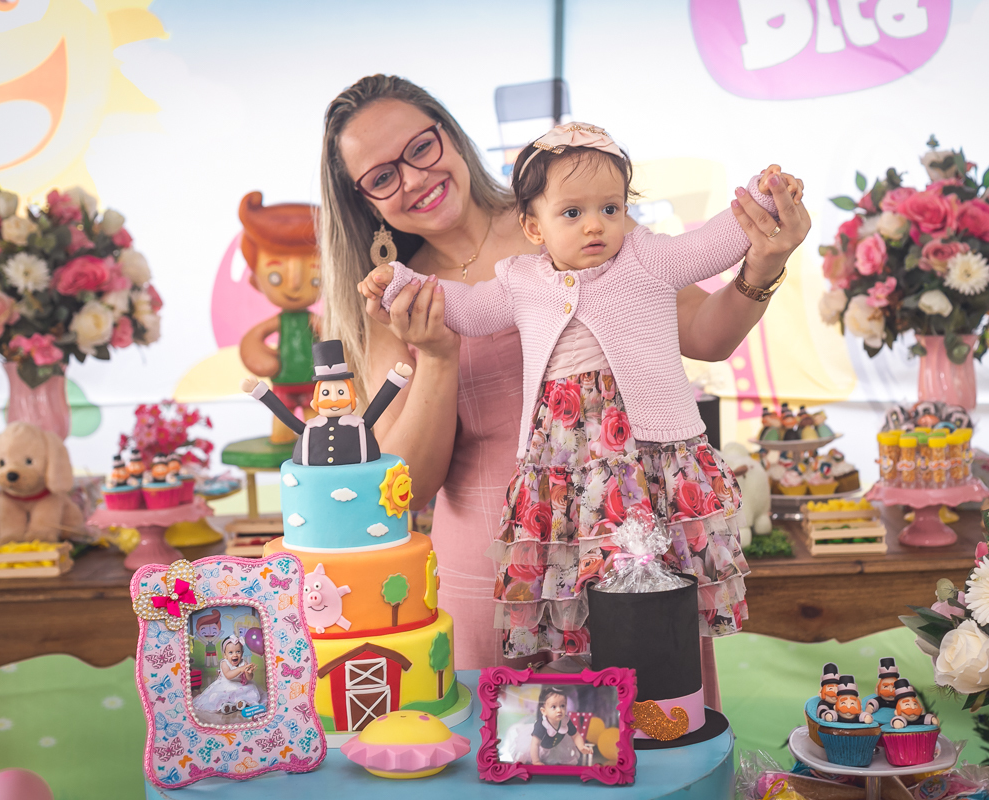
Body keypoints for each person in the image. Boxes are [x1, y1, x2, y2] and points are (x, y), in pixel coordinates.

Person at [317, 76, 810, 691]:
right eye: (382, 176)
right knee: (518, 754)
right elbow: (409, 485)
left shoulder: (578, 218)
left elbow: (705, 335)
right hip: (497, 566)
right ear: (364, 200)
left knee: (657, 723)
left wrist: (762, 261)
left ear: (450, 134)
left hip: (630, 528)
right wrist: (439, 357)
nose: (413, 177)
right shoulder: (401, 295)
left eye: (420, 147)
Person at [241, 339, 412, 466]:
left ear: (354, 400)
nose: (334, 399)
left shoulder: (359, 426)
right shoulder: (310, 429)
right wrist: (259, 391)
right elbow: (284, 414)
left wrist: (396, 379)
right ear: (315, 402)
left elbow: (379, 404)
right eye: (326, 393)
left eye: (341, 392)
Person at [236, 192, 321, 444]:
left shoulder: (314, 321)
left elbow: (333, 335)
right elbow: (253, 339)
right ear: (256, 280)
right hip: (283, 383)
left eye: (314, 277)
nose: (294, 285)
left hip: (313, 384)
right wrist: (262, 357)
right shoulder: (281, 322)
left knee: (318, 428)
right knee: (282, 429)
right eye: (276, 276)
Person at [193, 635, 262, 716]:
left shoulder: (243, 663)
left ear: (242, 653)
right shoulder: (224, 663)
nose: (235, 655)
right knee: (222, 696)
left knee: (246, 692)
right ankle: (227, 706)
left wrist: (248, 672)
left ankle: (240, 703)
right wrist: (240, 669)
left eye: (238, 652)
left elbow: (249, 678)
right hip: (226, 686)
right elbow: (228, 675)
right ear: (225, 655)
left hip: (240, 686)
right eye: (230, 652)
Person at [529, 686, 593, 766]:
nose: (559, 710)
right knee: (536, 756)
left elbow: (575, 735)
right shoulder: (541, 725)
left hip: (555, 746)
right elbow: (535, 744)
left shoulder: (565, 721)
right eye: (554, 707)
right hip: (540, 748)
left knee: (556, 762)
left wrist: (581, 746)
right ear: (543, 711)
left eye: (562, 706)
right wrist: (536, 761)